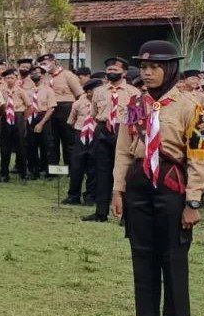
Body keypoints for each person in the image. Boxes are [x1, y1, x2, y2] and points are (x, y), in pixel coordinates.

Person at [112, 40, 204, 316]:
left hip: (172, 184)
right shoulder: (134, 105)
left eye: (155, 67)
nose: (149, 72)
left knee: (173, 257)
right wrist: (118, 189)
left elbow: (199, 155)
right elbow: (123, 149)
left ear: (170, 69)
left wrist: (193, 201)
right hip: (139, 183)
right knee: (142, 255)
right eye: (144, 66)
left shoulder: (190, 106)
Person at [84, 57, 140, 222]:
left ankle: (126, 215)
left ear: (124, 72)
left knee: (125, 171)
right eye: (109, 70)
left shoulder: (133, 92)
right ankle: (101, 212)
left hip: (124, 131)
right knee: (102, 171)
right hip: (103, 130)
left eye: (115, 70)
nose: (111, 72)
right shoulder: (99, 91)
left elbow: (137, 118)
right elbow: (94, 113)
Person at [36, 53, 83, 169]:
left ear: (54, 61)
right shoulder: (44, 78)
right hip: (49, 110)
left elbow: (80, 94)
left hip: (66, 108)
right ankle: (54, 169)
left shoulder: (68, 75)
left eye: (45, 63)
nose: (43, 66)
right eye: (41, 64)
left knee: (68, 140)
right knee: (52, 141)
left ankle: (71, 167)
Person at [65, 79, 101, 205]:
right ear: (89, 92)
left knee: (93, 167)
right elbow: (70, 121)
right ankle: (73, 195)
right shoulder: (78, 104)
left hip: (96, 137)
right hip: (80, 135)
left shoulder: (103, 103)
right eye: (97, 90)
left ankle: (90, 196)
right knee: (76, 167)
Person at [0, 68, 30, 183]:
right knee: (5, 147)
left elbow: (29, 106)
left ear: (16, 78)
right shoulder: (1, 91)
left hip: (18, 117)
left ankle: (23, 173)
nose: (9, 80)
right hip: (5, 117)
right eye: (7, 78)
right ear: (4, 79)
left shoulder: (21, 91)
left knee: (21, 146)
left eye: (11, 77)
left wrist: (23, 118)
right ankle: (4, 173)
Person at [26, 66, 55, 180]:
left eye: (37, 73)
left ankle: (50, 172)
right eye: (32, 73)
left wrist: (41, 123)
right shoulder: (28, 91)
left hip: (44, 117)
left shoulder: (48, 90)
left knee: (47, 146)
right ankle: (34, 171)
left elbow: (51, 108)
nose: (35, 75)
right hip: (30, 118)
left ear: (42, 75)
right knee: (31, 146)